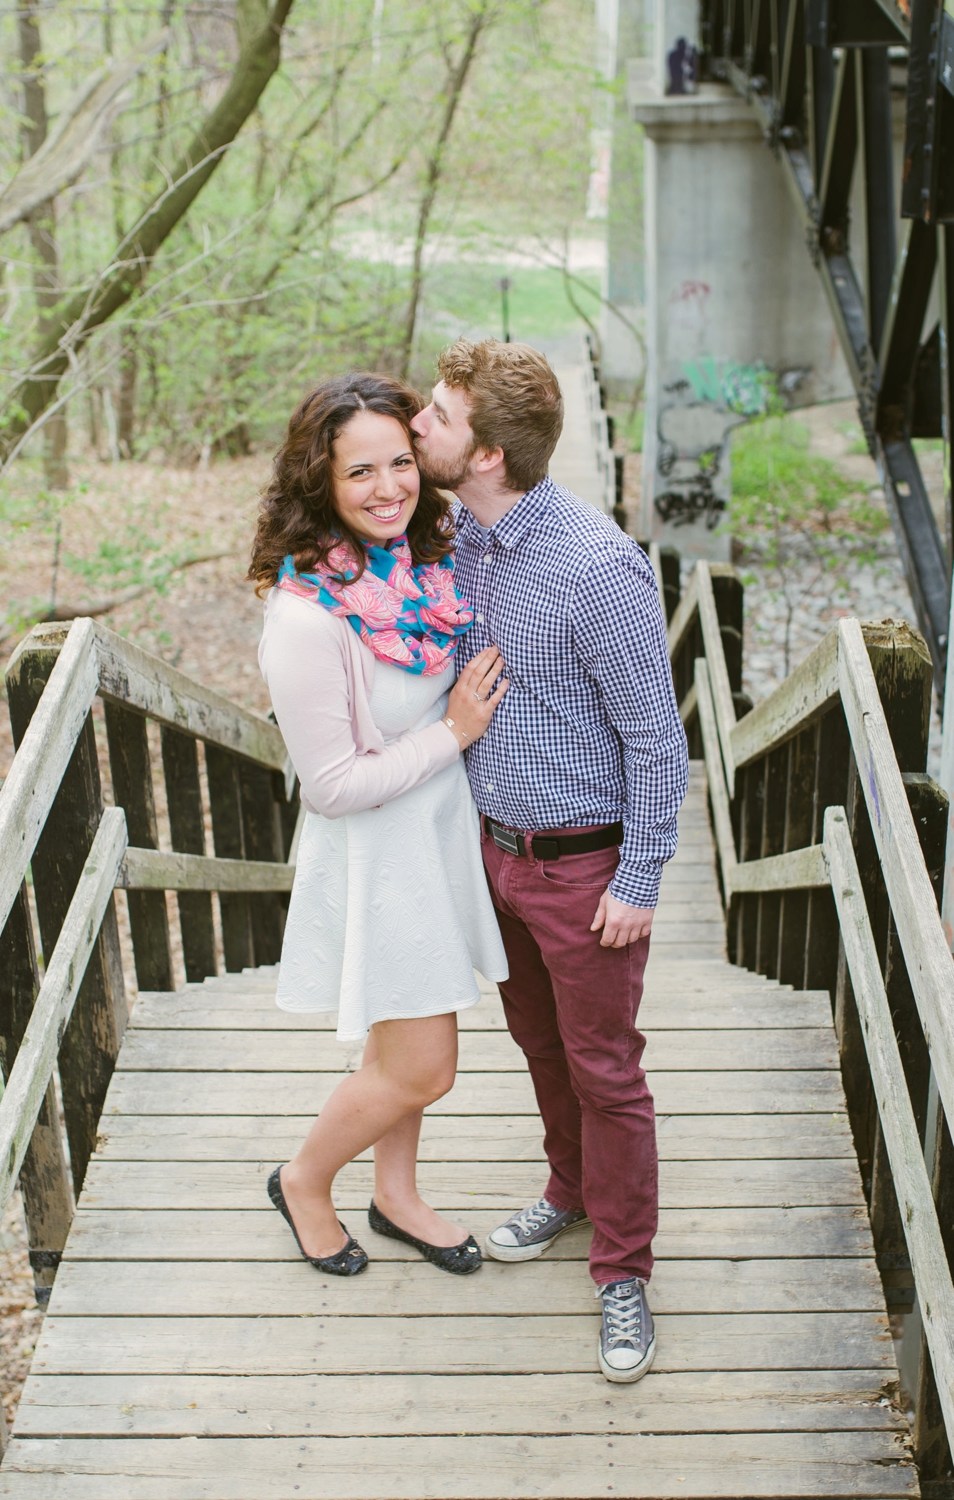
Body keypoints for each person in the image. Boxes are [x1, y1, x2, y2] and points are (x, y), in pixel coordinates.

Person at [410, 338, 688, 1382]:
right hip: (497, 861)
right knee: (541, 1049)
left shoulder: (595, 567)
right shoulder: (462, 537)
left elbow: (659, 739)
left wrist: (640, 877)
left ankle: (622, 1271)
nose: (418, 424)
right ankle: (568, 1193)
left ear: (486, 453)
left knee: (607, 1072)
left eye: (437, 415)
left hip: (586, 871)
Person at [249, 371, 509, 1278]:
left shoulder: (420, 566)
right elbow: (329, 785)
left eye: (401, 461)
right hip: (379, 854)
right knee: (422, 1065)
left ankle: (396, 1194)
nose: (389, 487)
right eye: (360, 472)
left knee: (399, 1044)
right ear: (318, 481)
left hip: (432, 841)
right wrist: (453, 733)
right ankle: (303, 1180)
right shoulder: (305, 616)